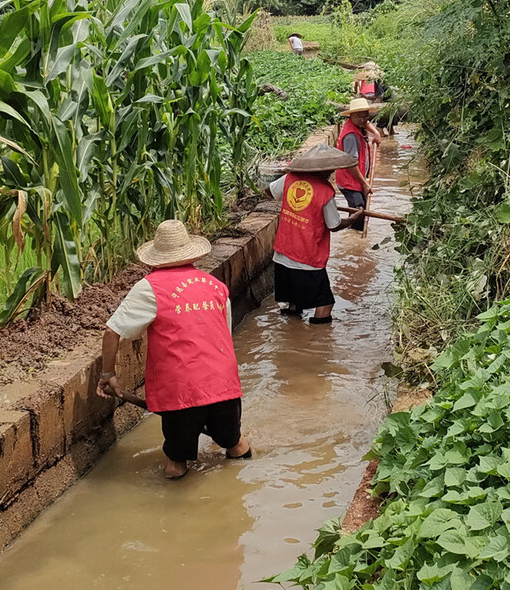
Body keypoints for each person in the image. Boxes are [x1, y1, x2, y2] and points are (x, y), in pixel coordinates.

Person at [97, 219, 251, 480]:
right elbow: (224, 334)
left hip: (181, 389)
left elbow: (113, 332)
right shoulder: (215, 285)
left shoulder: (150, 288)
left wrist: (106, 374)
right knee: (235, 443)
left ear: (155, 258)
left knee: (176, 463)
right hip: (223, 383)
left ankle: (175, 510)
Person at [267, 144, 365, 324]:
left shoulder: (290, 178)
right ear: (325, 170)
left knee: (293, 303)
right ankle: (315, 344)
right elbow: (334, 225)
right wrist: (353, 218)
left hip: (282, 253)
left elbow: (269, 191)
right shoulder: (325, 191)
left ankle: (291, 338)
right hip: (307, 258)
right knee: (325, 304)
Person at [335, 97, 381, 231]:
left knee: (360, 208)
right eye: (359, 117)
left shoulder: (357, 123)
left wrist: (376, 133)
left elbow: (365, 122)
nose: (363, 120)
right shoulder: (351, 136)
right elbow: (351, 164)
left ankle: (352, 233)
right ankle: (353, 240)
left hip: (355, 180)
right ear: (351, 116)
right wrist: (365, 183)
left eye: (365, 116)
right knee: (359, 209)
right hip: (349, 181)